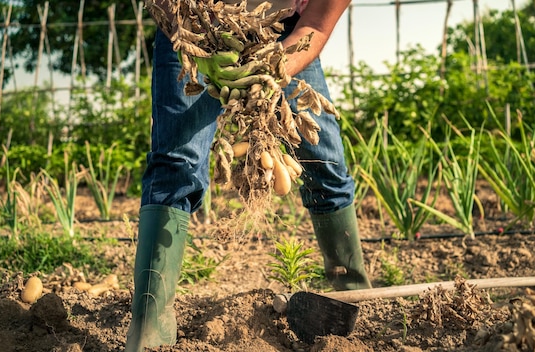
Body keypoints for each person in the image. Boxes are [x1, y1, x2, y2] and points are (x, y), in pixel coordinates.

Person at [125, 0, 370, 350]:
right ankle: (149, 324)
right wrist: (200, 48)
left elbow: (315, 24)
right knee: (177, 161)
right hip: (193, 24)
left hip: (284, 33)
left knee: (324, 159)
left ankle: (353, 295)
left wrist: (274, 67)